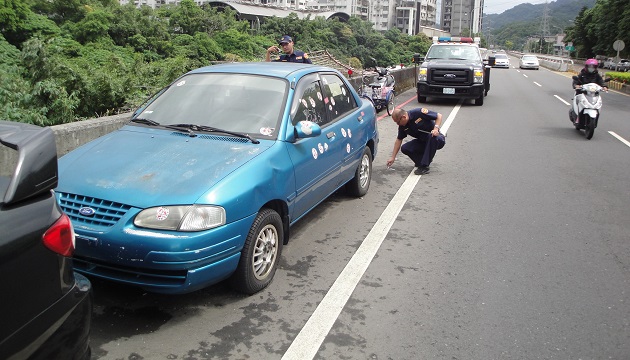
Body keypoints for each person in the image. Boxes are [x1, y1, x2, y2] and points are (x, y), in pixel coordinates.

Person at [386, 108, 445, 175]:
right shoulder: (402, 126)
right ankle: (421, 161)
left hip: (436, 139)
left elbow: (439, 116)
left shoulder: (418, 112)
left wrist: (436, 129)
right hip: (423, 142)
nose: (397, 124)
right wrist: (393, 157)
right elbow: (399, 140)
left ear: (403, 117)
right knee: (405, 148)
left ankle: (424, 166)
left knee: (432, 137)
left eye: (398, 122)